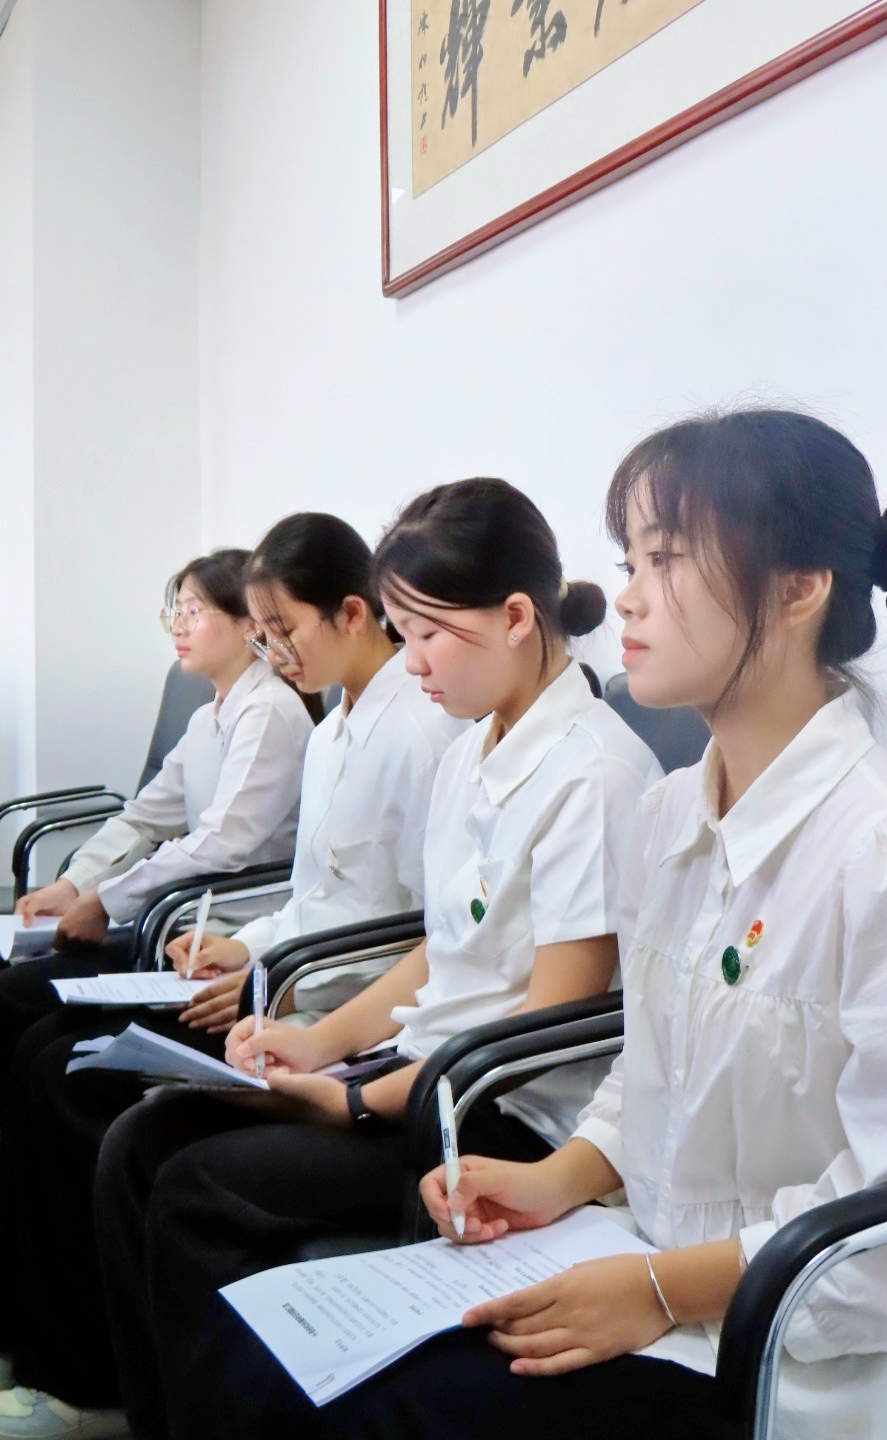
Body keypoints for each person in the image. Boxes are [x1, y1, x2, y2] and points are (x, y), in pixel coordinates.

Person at [198, 411, 887, 1440]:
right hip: (669, 1267)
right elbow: (655, 1068)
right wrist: (554, 1182)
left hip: (833, 1353)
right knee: (282, 1356)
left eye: (667, 560)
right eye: (630, 562)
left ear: (799, 588)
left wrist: (660, 1289)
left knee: (377, 1404)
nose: (627, 597)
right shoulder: (669, 817)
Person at [86, 477, 662, 1440]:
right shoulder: (472, 749)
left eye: (429, 632)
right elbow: (441, 949)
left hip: (497, 1113)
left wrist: (354, 1100)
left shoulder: (594, 775)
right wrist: (321, 1049)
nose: (413, 659)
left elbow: (545, 1023)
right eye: (404, 629)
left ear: (517, 618)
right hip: (423, 1073)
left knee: (193, 1188)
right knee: (146, 1137)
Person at [0, 512, 469, 1439]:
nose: (274, 654)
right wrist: (241, 947)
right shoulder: (335, 729)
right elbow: (310, 895)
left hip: (336, 1006)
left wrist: (276, 979)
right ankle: (65, 1348)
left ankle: (96, 1373)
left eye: (282, 631)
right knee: (48, 1049)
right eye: (263, 636)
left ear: (351, 613)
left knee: (70, 1078)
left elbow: (423, 931)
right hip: (283, 982)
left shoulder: (424, 734)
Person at [0, 550, 312, 1089]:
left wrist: (106, 900)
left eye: (194, 611)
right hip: (178, 923)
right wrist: (74, 885)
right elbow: (144, 817)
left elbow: (221, 843)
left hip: (226, 932)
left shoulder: (268, 712)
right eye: (176, 612)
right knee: (22, 1004)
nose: (179, 627)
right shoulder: (208, 717)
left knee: (34, 1028)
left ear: (248, 624)